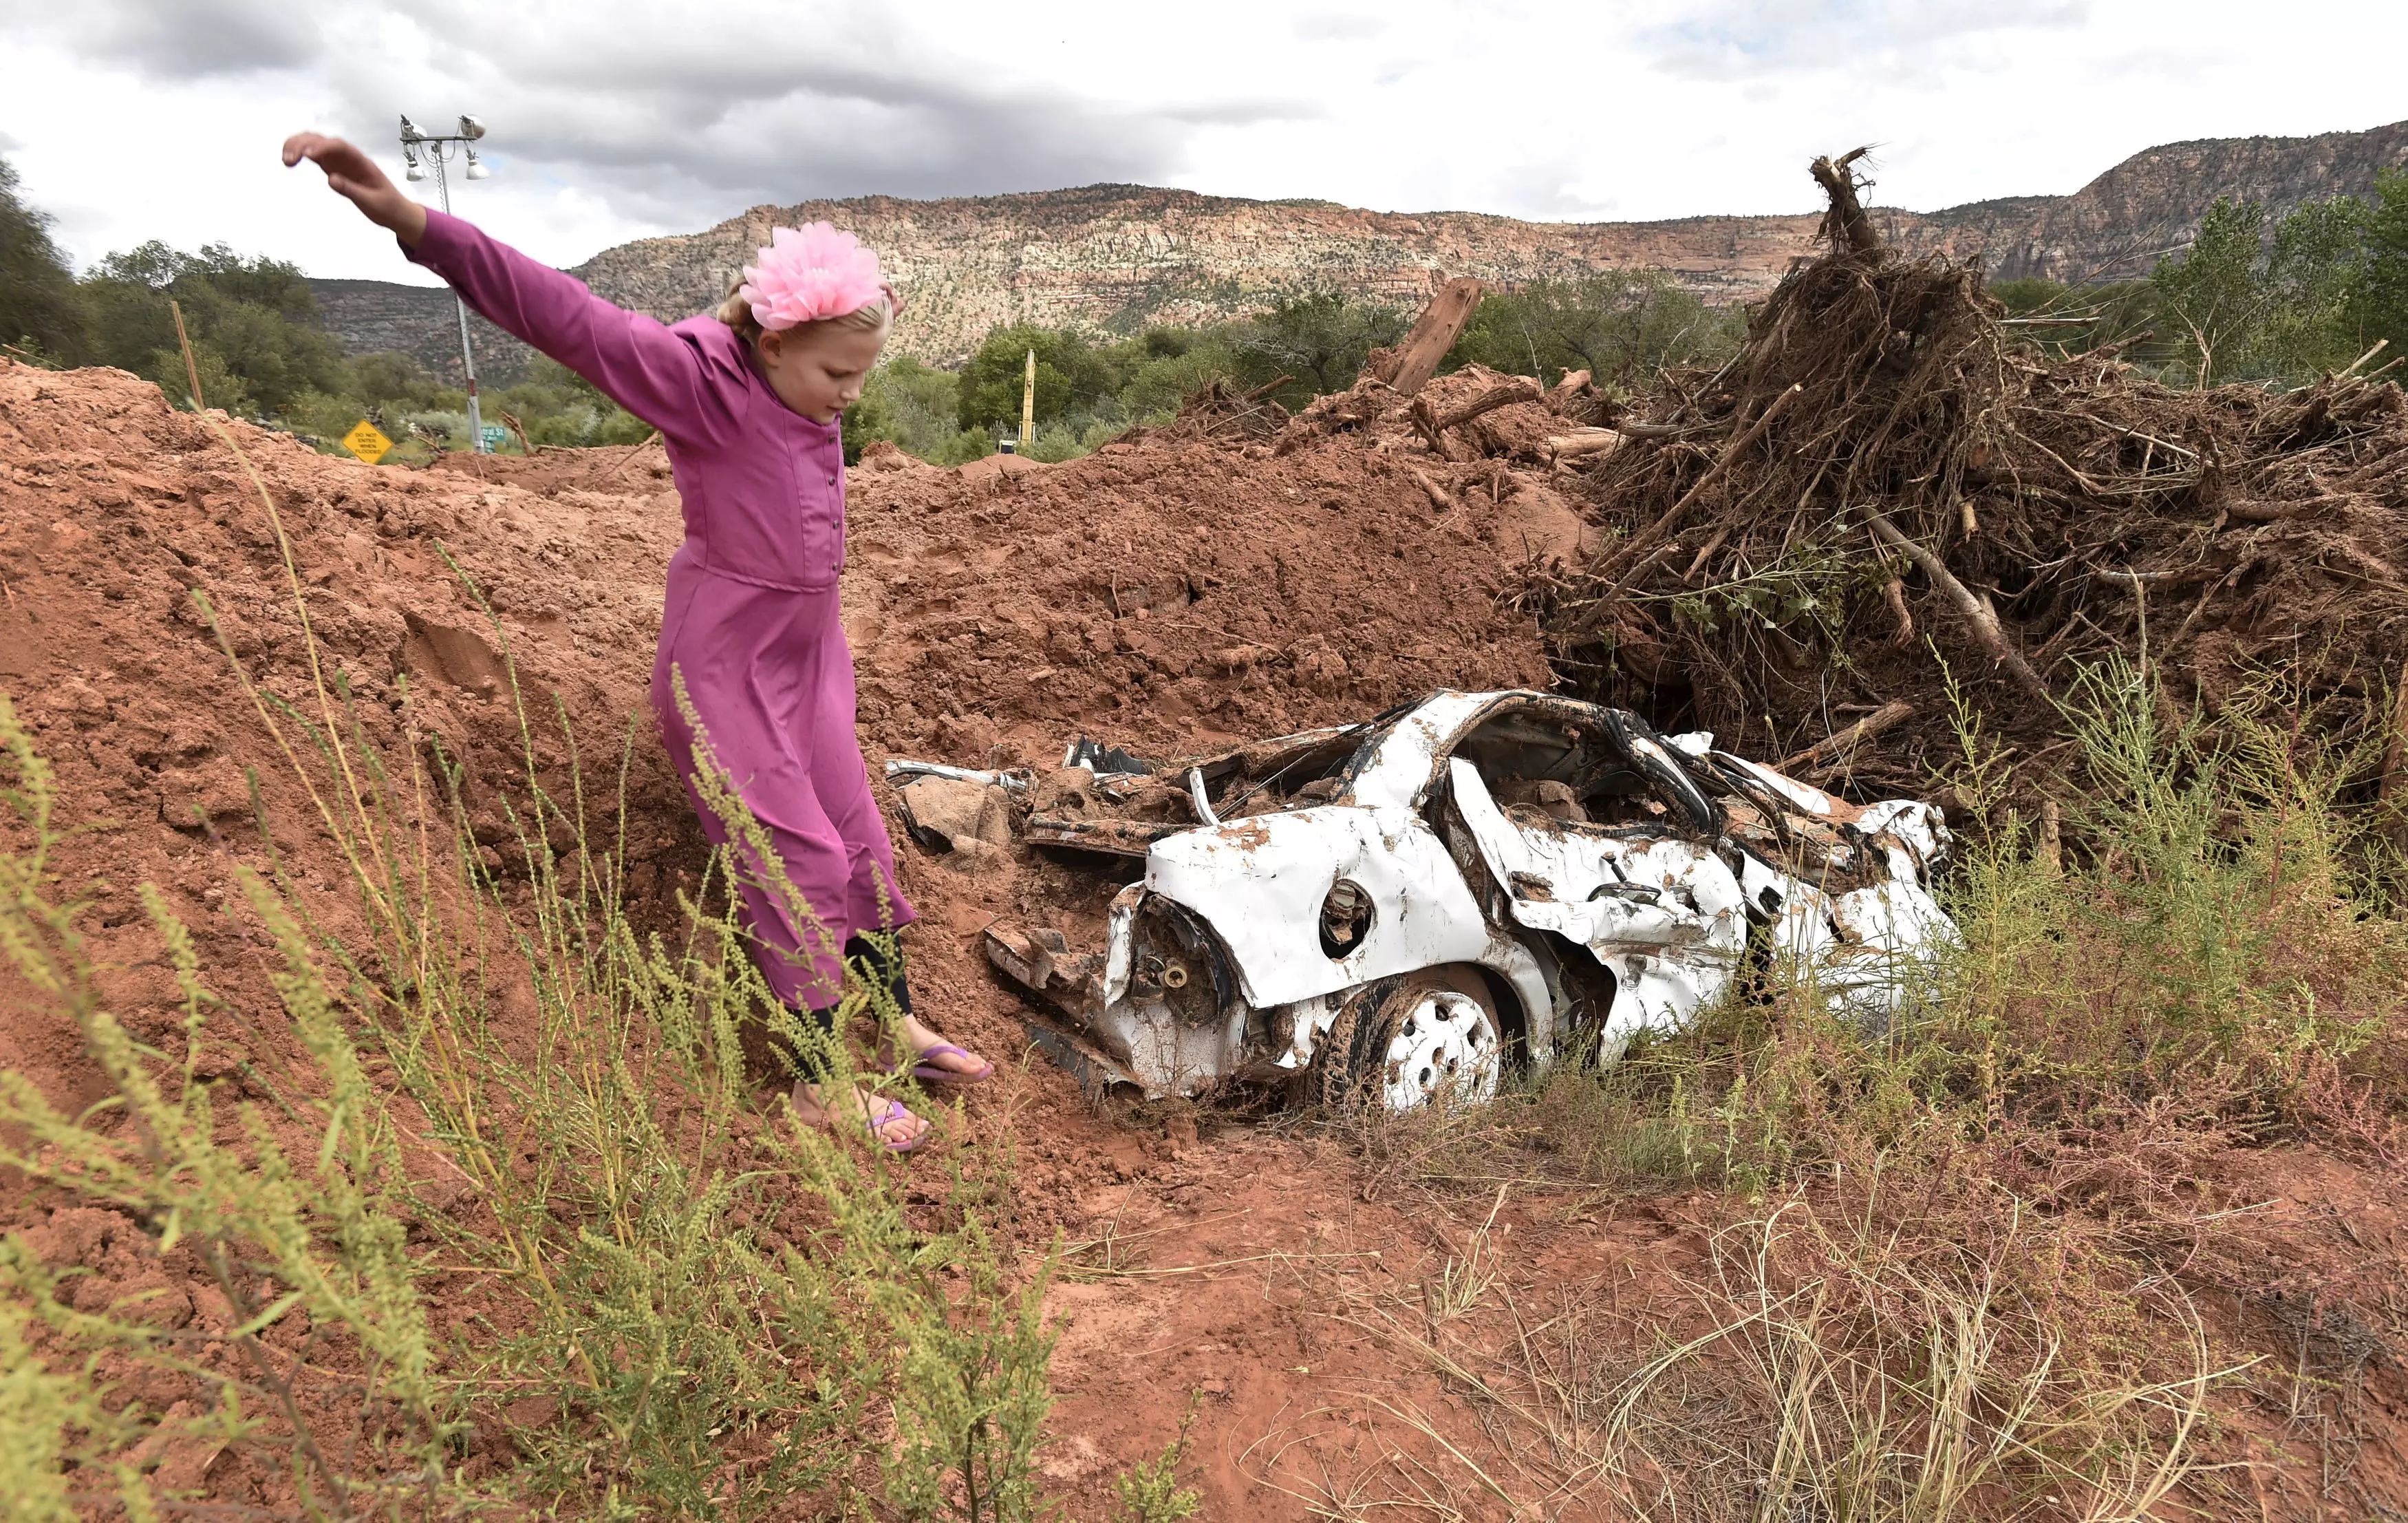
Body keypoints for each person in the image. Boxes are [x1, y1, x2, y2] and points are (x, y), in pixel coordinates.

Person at [281, 132, 990, 1151]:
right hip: (728, 669)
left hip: (809, 660)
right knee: (791, 859)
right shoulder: (702, 388)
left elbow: (823, 415)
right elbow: (573, 318)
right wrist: (415, 224)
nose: (850, 398)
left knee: (859, 842)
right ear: (778, 343)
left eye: (862, 379)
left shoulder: (812, 385)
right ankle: (814, 1085)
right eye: (838, 373)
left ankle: (896, 1025)